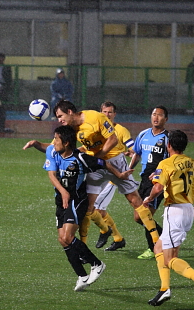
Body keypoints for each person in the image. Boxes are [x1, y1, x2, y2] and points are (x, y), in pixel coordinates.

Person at [23, 100, 160, 252]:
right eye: (57, 117)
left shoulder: (94, 117)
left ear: (70, 112)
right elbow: (55, 147)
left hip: (114, 160)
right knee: (88, 207)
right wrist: (36, 144)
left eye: (60, 116)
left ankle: (156, 241)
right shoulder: (69, 129)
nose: (59, 120)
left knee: (134, 200)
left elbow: (113, 139)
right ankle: (89, 243)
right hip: (94, 164)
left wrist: (99, 156)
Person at [43, 125, 132, 291]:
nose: (53, 142)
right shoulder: (53, 152)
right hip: (61, 200)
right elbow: (51, 174)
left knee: (68, 237)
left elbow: (103, 163)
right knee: (62, 239)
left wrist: (119, 175)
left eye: (57, 139)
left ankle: (96, 264)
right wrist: (62, 192)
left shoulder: (81, 158)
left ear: (67, 143)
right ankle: (82, 276)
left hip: (77, 200)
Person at [142, 130, 194, 307]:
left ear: (169, 146)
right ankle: (164, 289)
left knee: (169, 259)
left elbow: (158, 188)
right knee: (158, 248)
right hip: (188, 209)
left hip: (174, 211)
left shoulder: (166, 162)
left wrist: (149, 198)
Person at [87, 101, 135, 251]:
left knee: (97, 207)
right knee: (96, 208)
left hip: (114, 176)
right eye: (104, 112)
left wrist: (130, 156)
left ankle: (108, 232)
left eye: (110, 112)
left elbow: (134, 149)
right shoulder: (97, 130)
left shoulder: (121, 130)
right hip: (100, 172)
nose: (107, 115)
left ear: (115, 114)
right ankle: (117, 238)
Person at [130, 106, 169, 259]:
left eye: (160, 115)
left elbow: (171, 159)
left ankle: (153, 248)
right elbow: (137, 153)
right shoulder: (143, 134)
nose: (156, 117)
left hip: (158, 182)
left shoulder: (167, 138)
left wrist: (160, 174)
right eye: (154, 114)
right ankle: (164, 238)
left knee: (145, 215)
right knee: (138, 217)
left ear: (166, 119)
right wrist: (129, 169)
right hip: (144, 180)